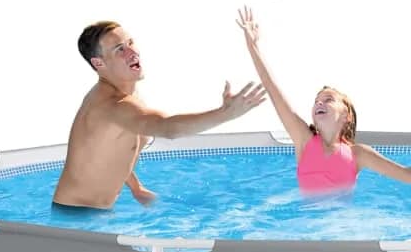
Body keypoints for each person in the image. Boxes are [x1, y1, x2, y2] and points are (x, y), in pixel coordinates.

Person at [235, 7, 411, 194]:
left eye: (328, 99)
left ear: (346, 116)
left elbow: (407, 176)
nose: (319, 103)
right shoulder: (304, 140)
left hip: (340, 227)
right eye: (317, 101)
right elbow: (273, 90)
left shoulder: (358, 154)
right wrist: (253, 46)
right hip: (307, 225)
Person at [52, 21, 267, 209]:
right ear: (99, 63)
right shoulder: (113, 106)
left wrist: (136, 188)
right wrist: (225, 114)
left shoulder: (127, 93)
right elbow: (168, 128)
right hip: (75, 216)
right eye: (120, 49)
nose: (132, 52)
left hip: (92, 213)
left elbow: (109, 152)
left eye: (130, 42)